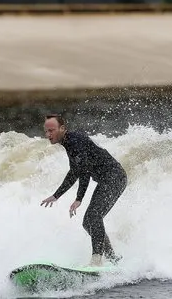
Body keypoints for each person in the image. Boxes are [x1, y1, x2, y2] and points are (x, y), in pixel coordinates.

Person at [40, 113, 127, 266]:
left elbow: (84, 171)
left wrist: (79, 199)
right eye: (46, 131)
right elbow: (74, 172)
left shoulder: (75, 140)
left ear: (62, 128)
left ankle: (96, 260)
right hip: (107, 179)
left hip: (115, 177)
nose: (48, 134)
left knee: (94, 216)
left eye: (51, 130)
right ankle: (114, 260)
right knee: (88, 222)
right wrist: (56, 195)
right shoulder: (68, 143)